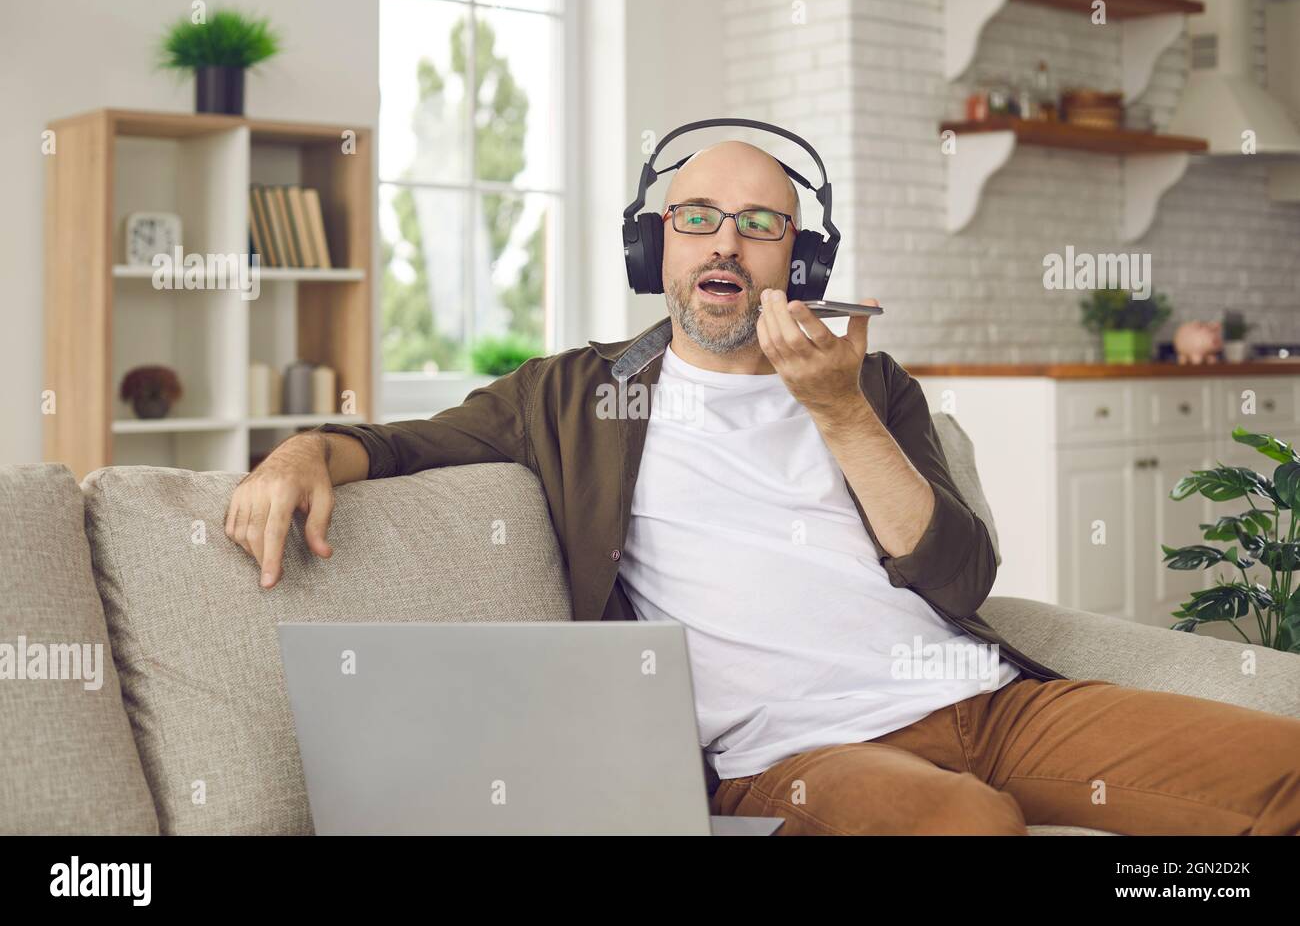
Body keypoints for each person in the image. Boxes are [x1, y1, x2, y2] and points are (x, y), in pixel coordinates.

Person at [226, 140, 1300, 835]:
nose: (726, 243)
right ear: (657, 247)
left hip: (992, 701)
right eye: (696, 218)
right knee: (968, 830)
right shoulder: (573, 395)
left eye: (760, 223)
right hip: (797, 755)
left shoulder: (868, 382)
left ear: (801, 258)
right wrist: (303, 451)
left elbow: (963, 570)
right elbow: (407, 444)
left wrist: (839, 412)